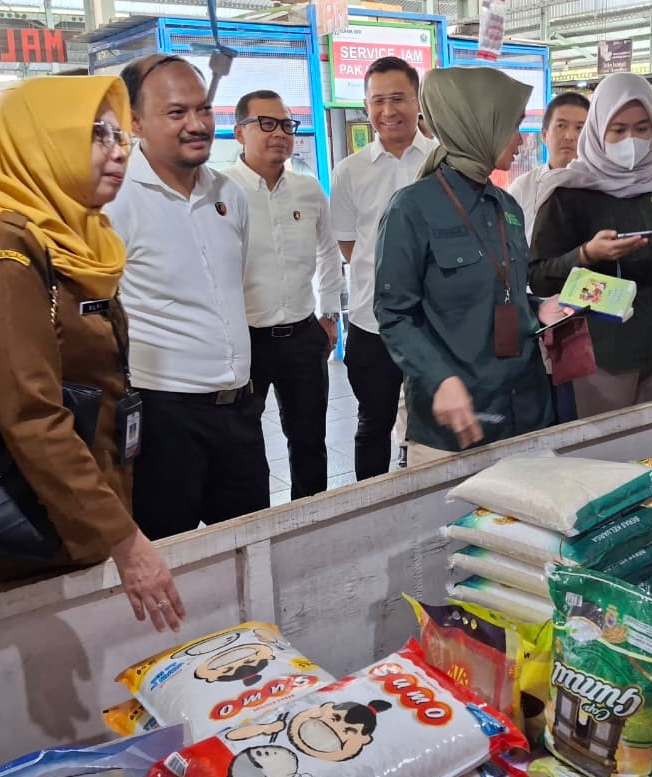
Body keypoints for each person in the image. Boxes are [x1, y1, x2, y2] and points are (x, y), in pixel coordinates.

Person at [0, 75, 183, 633]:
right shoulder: (4, 250)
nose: (118, 151)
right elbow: (30, 414)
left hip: (84, 501)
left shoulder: (79, 238)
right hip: (31, 521)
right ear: (40, 140)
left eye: (120, 136)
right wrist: (124, 540)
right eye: (97, 134)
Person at [105, 55, 269, 539]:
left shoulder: (228, 194)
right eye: (176, 112)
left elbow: (232, 285)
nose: (196, 124)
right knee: (169, 556)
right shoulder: (112, 201)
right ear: (135, 122)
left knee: (248, 545)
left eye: (204, 109)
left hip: (239, 410)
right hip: (164, 418)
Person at [375, 67, 570, 463]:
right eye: (512, 127)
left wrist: (536, 308)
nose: (520, 140)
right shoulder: (411, 209)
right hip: (456, 425)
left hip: (526, 411)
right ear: (478, 125)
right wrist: (440, 379)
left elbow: (503, 291)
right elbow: (394, 315)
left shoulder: (507, 206)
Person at [529, 72, 652, 418]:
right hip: (599, 357)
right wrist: (586, 255)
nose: (631, 140)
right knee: (603, 448)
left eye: (642, 129)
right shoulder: (568, 191)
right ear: (598, 130)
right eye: (618, 130)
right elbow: (538, 276)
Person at [223, 90, 341, 501]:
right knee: (243, 445)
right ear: (240, 132)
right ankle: (257, 524)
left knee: (309, 440)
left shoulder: (308, 189)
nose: (280, 134)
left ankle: (311, 519)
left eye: (287, 125)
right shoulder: (220, 191)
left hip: (303, 337)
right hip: (246, 341)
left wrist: (330, 314)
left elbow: (329, 251)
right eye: (267, 124)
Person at [329, 56, 439, 479]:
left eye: (398, 98)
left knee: (435, 424)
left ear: (418, 101)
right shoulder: (349, 172)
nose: (388, 110)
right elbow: (349, 244)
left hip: (435, 322)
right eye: (378, 101)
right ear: (366, 106)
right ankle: (371, 504)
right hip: (371, 324)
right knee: (373, 423)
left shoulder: (443, 162)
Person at [507, 91, 589, 243]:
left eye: (579, 128)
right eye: (561, 126)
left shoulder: (600, 187)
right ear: (544, 135)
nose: (569, 136)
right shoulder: (522, 189)